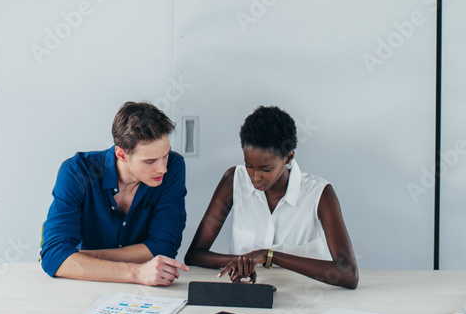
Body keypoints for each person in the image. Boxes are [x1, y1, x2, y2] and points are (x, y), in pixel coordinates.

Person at [185, 105, 358, 289]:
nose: (255, 177)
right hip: (248, 295)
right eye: (249, 166)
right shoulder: (233, 181)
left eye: (266, 169)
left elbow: (348, 273)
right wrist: (244, 262)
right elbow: (195, 254)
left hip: (305, 298)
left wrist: (269, 256)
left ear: (288, 157)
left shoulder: (320, 194)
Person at [40, 101, 188, 286]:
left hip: (140, 289)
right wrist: (136, 273)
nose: (163, 168)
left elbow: (164, 247)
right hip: (82, 284)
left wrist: (78, 258)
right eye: (150, 161)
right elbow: (54, 257)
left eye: (165, 155)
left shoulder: (173, 167)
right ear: (121, 155)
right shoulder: (77, 173)